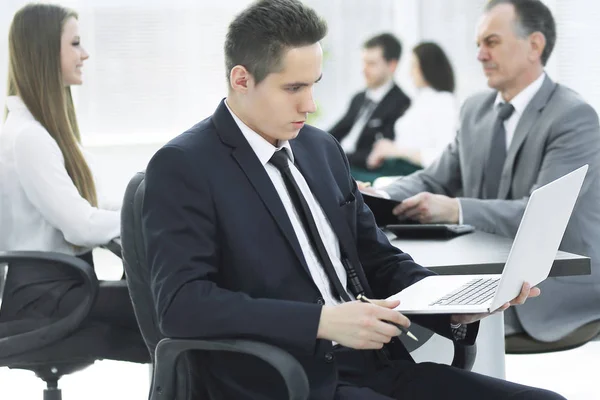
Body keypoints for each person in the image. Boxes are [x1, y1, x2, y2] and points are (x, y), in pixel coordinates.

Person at [142, 0, 563, 399]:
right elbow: (182, 304)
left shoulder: (320, 150)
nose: (310, 105)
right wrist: (321, 322)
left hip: (377, 368)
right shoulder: (185, 165)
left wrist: (449, 303)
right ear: (241, 79)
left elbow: (378, 258)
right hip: (285, 381)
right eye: (294, 88)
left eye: (314, 85)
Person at [380, 0, 600, 342]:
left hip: (547, 287)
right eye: (478, 45)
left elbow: (539, 215)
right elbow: (434, 178)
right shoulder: (475, 110)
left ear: (535, 46)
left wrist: (456, 208)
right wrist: (380, 195)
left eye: (491, 42)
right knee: (398, 313)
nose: (480, 55)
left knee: (417, 329)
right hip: (482, 272)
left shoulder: (574, 117)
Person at [0, 3, 147, 363]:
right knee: (168, 313)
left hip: (59, 290)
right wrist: (147, 218)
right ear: (45, 50)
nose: (85, 54)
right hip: (46, 300)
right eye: (75, 43)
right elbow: (80, 225)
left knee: (163, 316)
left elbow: (89, 203)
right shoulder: (28, 137)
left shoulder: (37, 131)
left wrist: (145, 205)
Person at [367, 42, 458, 170]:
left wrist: (396, 151)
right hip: (396, 166)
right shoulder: (420, 100)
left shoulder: (443, 101)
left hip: (414, 171)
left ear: (428, 67)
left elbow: (443, 155)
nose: (410, 73)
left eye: (414, 66)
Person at [329, 33, 411, 175]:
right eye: (364, 62)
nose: (364, 70)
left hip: (362, 170)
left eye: (371, 64)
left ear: (392, 65)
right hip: (342, 161)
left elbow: (376, 155)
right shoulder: (359, 98)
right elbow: (337, 131)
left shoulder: (401, 103)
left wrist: (338, 157)